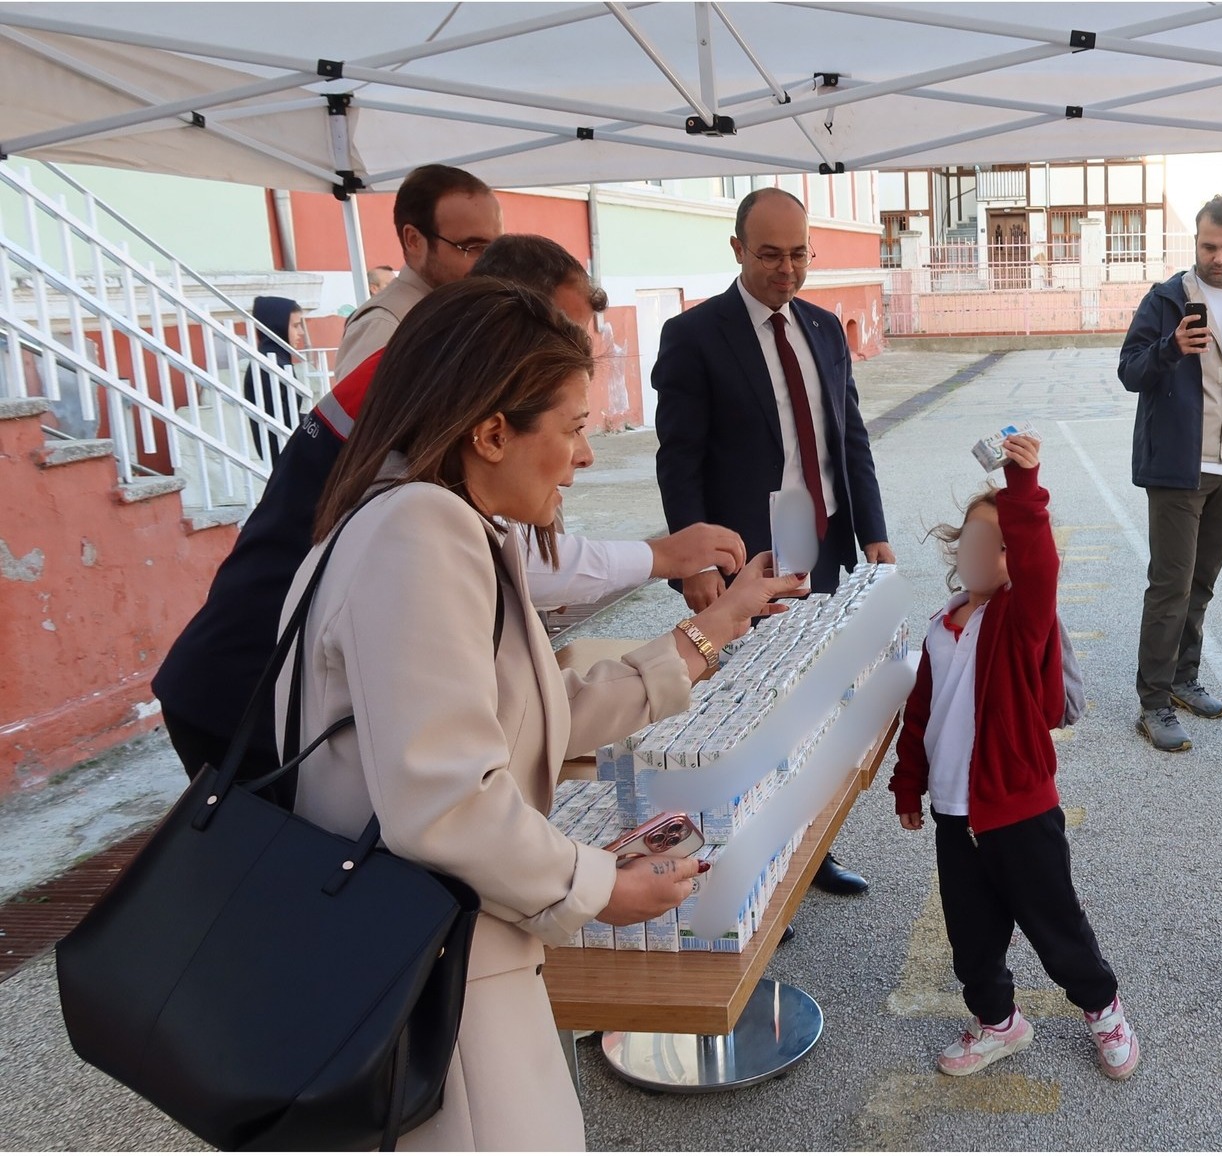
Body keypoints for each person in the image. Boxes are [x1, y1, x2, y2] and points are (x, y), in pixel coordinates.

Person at [282, 279, 803, 1148]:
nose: (585, 457)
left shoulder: (411, 520)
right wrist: (599, 888)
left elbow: (533, 712)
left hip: (436, 951)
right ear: (492, 434)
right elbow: (447, 801)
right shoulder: (419, 533)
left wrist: (712, 631)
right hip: (437, 975)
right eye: (573, 427)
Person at [154, 236, 743, 791]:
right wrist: (661, 564)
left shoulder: (426, 392)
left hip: (288, 691)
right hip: (249, 691)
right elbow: (450, 796)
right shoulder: (419, 502)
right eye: (552, 334)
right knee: (290, 856)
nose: (568, 355)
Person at [651, 186, 890, 898]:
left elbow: (850, 435)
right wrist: (695, 560)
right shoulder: (694, 336)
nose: (786, 269)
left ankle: (812, 850)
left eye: (798, 254)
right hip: (743, 551)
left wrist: (874, 531)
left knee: (815, 699)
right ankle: (751, 867)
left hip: (821, 535)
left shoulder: (824, 328)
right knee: (746, 709)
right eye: (769, 255)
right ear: (737, 250)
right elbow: (679, 458)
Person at [888, 433, 1139, 1082]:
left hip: (1020, 814)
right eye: (975, 540)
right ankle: (998, 1022)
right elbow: (922, 714)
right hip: (955, 816)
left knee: (1057, 928)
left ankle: (1103, 1008)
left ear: (1012, 557)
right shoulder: (940, 628)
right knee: (971, 937)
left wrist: (1023, 488)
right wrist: (908, 783)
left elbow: (1039, 568)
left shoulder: (1018, 619)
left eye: (999, 545)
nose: (983, 553)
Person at [1118, 194, 1222, 753]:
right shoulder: (1165, 300)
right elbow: (1129, 371)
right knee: (1170, 587)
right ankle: (1154, 703)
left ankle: (1184, 679)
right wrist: (1170, 348)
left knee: (1202, 585)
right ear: (1196, 243)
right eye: (1209, 246)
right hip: (1180, 470)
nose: (1219, 257)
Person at [334, 165, 502, 377]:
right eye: (472, 247)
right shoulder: (384, 326)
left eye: (496, 247)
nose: (489, 260)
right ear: (413, 240)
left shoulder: (466, 306)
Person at [242, 295, 305, 458]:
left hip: (288, 450)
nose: (301, 332)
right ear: (278, 327)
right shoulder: (268, 364)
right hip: (283, 454)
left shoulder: (277, 359)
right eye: (295, 326)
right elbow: (280, 419)